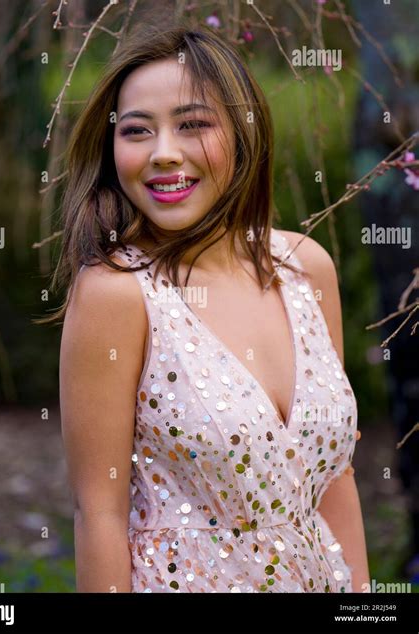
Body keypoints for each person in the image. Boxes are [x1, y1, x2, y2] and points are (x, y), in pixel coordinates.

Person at [55, 24, 370, 593]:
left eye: (194, 124)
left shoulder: (306, 267)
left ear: (245, 134)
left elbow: (335, 477)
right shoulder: (116, 293)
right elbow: (98, 514)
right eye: (137, 132)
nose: (163, 153)